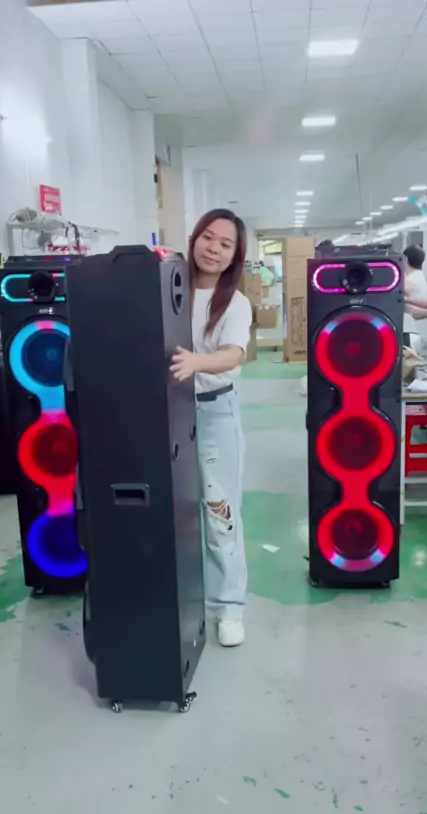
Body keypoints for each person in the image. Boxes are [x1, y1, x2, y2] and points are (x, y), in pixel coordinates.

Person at [170, 209, 251, 648]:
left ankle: (228, 607)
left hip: (213, 414)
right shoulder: (169, 288)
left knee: (220, 515)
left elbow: (234, 354)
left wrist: (197, 362)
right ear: (194, 237)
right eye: (208, 237)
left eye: (225, 244)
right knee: (173, 514)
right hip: (168, 413)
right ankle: (180, 601)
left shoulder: (234, 303)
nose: (213, 249)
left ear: (235, 255)